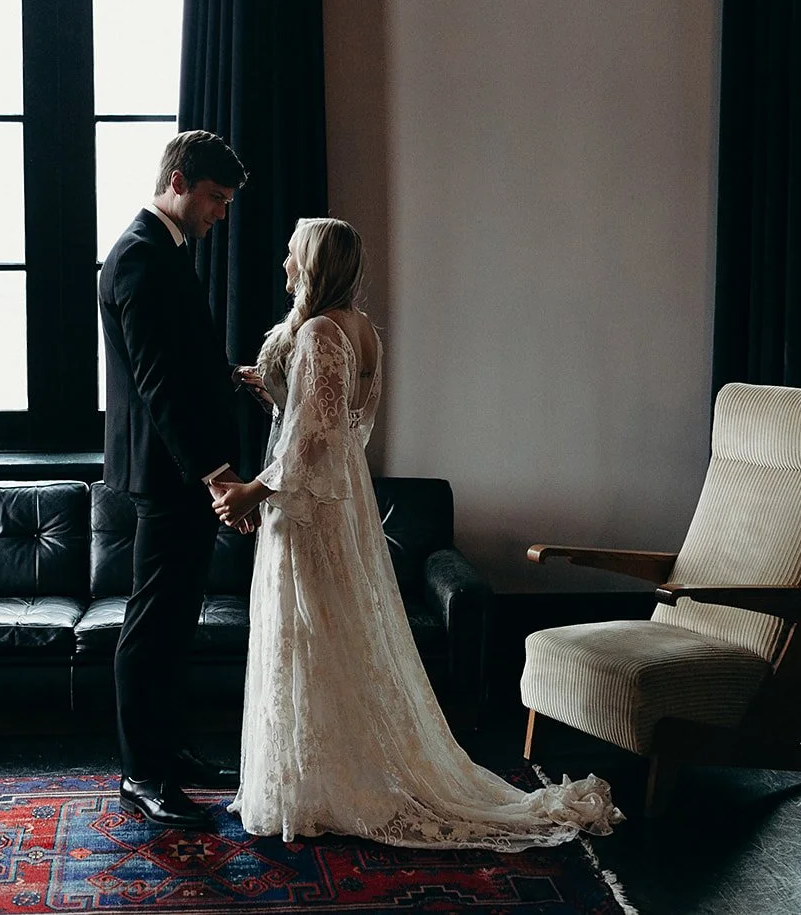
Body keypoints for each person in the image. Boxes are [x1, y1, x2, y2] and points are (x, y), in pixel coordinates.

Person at [211, 217, 624, 850]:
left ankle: (321, 786)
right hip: (339, 502)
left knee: (309, 634)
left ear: (316, 264)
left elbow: (310, 442)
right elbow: (333, 422)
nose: (284, 265)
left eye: (293, 255)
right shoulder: (359, 330)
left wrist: (251, 490)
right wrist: (271, 387)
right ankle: (327, 774)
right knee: (332, 634)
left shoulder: (320, 330)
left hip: (309, 511)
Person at [99, 129, 254, 831]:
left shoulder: (163, 250)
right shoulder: (138, 256)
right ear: (181, 181)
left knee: (176, 620)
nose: (220, 214)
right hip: (170, 477)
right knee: (152, 624)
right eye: (216, 200)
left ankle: (171, 750)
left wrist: (230, 377)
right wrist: (217, 472)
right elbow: (158, 385)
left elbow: (180, 359)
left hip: (180, 474)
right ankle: (141, 771)